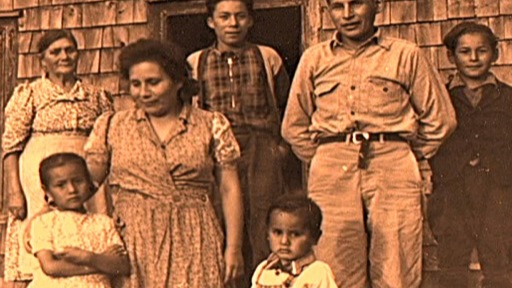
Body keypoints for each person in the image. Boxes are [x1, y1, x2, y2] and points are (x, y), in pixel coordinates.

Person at [280, 0, 457, 287]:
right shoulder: (314, 59)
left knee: (396, 262)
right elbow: (293, 126)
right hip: (332, 166)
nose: (348, 14)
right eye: (338, 6)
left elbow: (442, 119)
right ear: (328, 11)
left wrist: (405, 153)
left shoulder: (405, 55)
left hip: (393, 163)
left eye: (357, 3)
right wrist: (328, 154)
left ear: (376, 6)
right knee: (336, 260)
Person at [85, 39, 244, 287]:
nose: (143, 93)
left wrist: (233, 248)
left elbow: (229, 188)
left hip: (194, 235)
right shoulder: (111, 126)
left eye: (153, 82)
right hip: (133, 239)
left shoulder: (210, 124)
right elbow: (88, 183)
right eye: (136, 84)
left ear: (178, 81)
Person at [2, 29, 114, 286]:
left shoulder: (97, 95)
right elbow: (11, 145)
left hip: (86, 171)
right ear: (43, 59)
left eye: (69, 50)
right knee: (40, 227)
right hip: (39, 173)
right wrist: (14, 191)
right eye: (55, 52)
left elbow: (109, 139)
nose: (64, 56)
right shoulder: (30, 94)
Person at [187, 0, 291, 275]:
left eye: (240, 16)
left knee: (264, 219)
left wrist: (278, 147)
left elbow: (286, 104)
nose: (233, 24)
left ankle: (267, 280)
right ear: (211, 21)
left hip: (260, 145)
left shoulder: (268, 57)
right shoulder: (196, 62)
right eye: (224, 17)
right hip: (216, 149)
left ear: (250, 20)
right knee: (222, 219)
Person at [428, 22, 512, 288]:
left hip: (500, 188)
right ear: (452, 57)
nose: (474, 58)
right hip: (452, 188)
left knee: (500, 258)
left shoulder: (508, 97)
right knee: (452, 260)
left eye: (482, 51)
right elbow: (428, 138)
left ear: (495, 55)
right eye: (465, 52)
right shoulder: (439, 98)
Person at [26, 153, 130, 287]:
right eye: (61, 185)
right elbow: (51, 267)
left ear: (89, 182)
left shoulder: (103, 222)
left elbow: (122, 265)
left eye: (78, 181)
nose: (72, 189)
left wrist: (88, 258)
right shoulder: (43, 223)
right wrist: (100, 263)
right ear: (47, 191)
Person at [251, 194, 337, 288]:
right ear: (267, 234)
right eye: (278, 232)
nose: (284, 241)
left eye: (295, 234)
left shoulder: (318, 272)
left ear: (315, 237)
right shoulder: (263, 269)